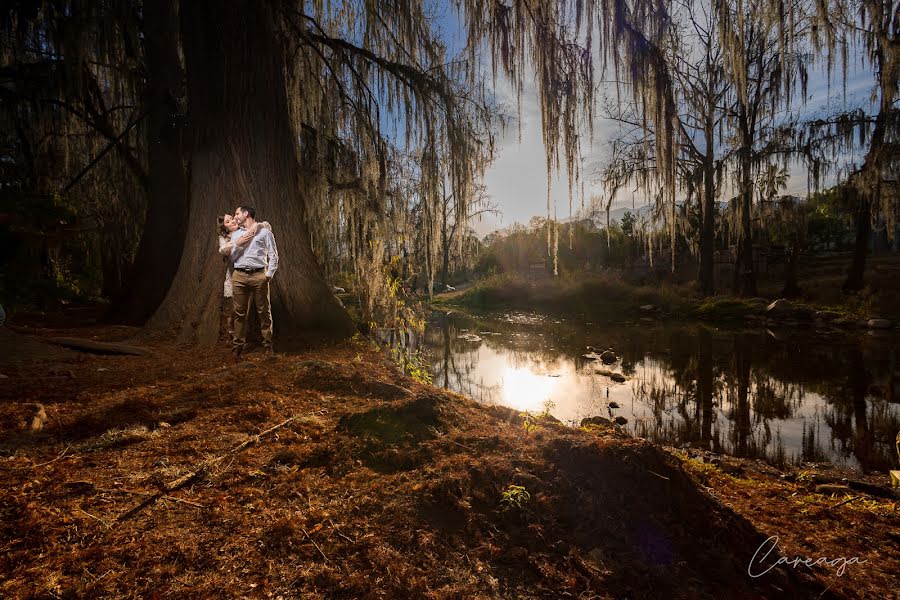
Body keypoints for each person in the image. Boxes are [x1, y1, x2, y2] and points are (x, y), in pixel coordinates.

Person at [230, 205, 278, 357]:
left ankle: (268, 345)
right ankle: (238, 346)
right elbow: (232, 257)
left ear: (246, 214)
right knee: (239, 313)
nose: (235, 216)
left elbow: (273, 255)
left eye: (237, 214)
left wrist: (268, 275)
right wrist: (239, 243)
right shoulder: (236, 234)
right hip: (239, 276)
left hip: (259, 275)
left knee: (264, 312)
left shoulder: (265, 232)